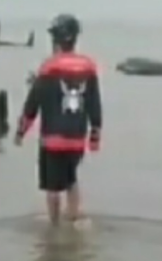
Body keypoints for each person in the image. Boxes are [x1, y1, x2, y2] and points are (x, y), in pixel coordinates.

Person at [14, 13, 102, 224]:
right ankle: (73, 219)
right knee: (71, 178)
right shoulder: (88, 67)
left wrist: (21, 131)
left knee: (52, 188)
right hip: (77, 139)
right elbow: (94, 103)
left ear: (56, 40)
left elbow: (32, 104)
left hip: (52, 140)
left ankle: (54, 228)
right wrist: (95, 135)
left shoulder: (48, 68)